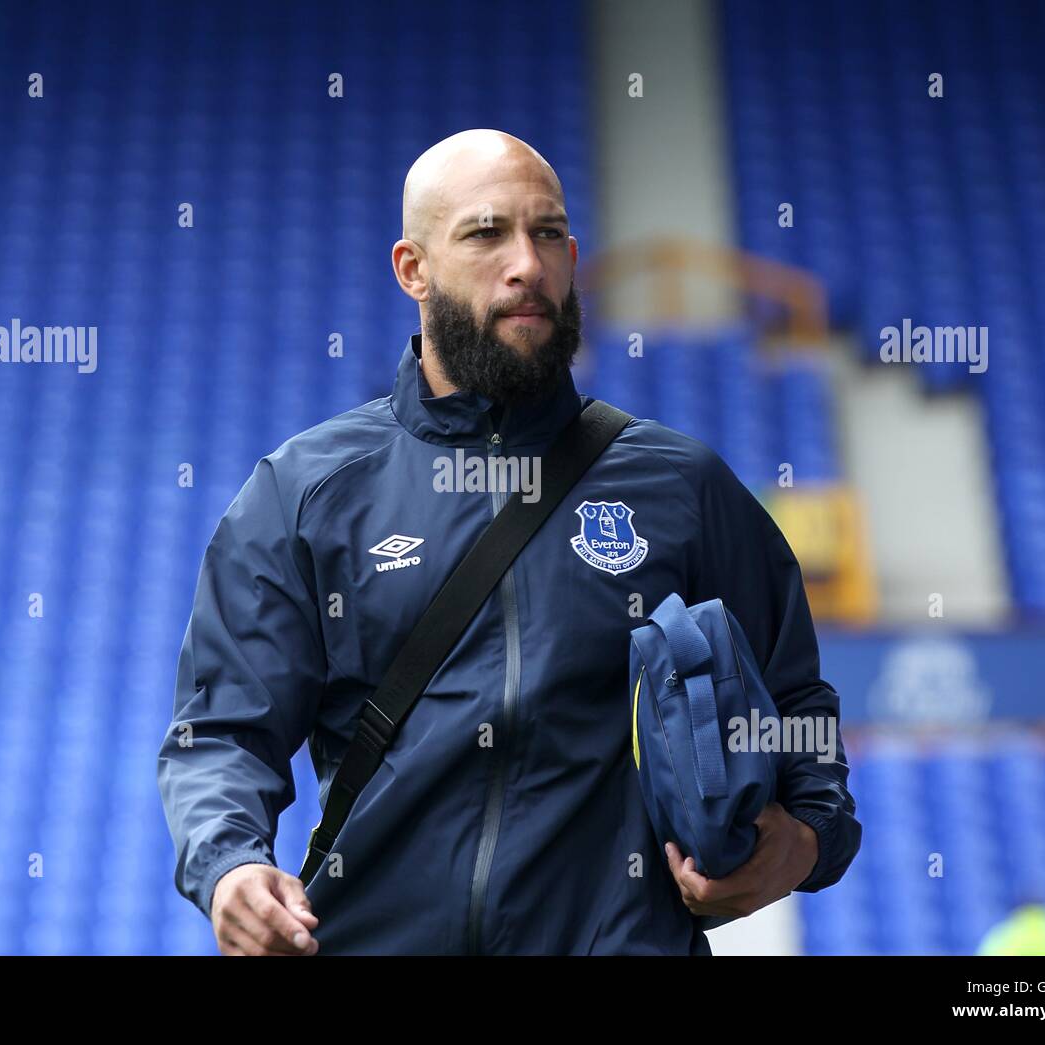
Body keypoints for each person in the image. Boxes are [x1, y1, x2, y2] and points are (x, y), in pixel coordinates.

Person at [157, 129, 861, 955]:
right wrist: (231, 864)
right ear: (412, 268)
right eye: (487, 233)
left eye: (550, 233)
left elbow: (798, 708)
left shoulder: (684, 487)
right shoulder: (307, 489)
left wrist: (806, 838)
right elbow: (224, 732)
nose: (528, 262)